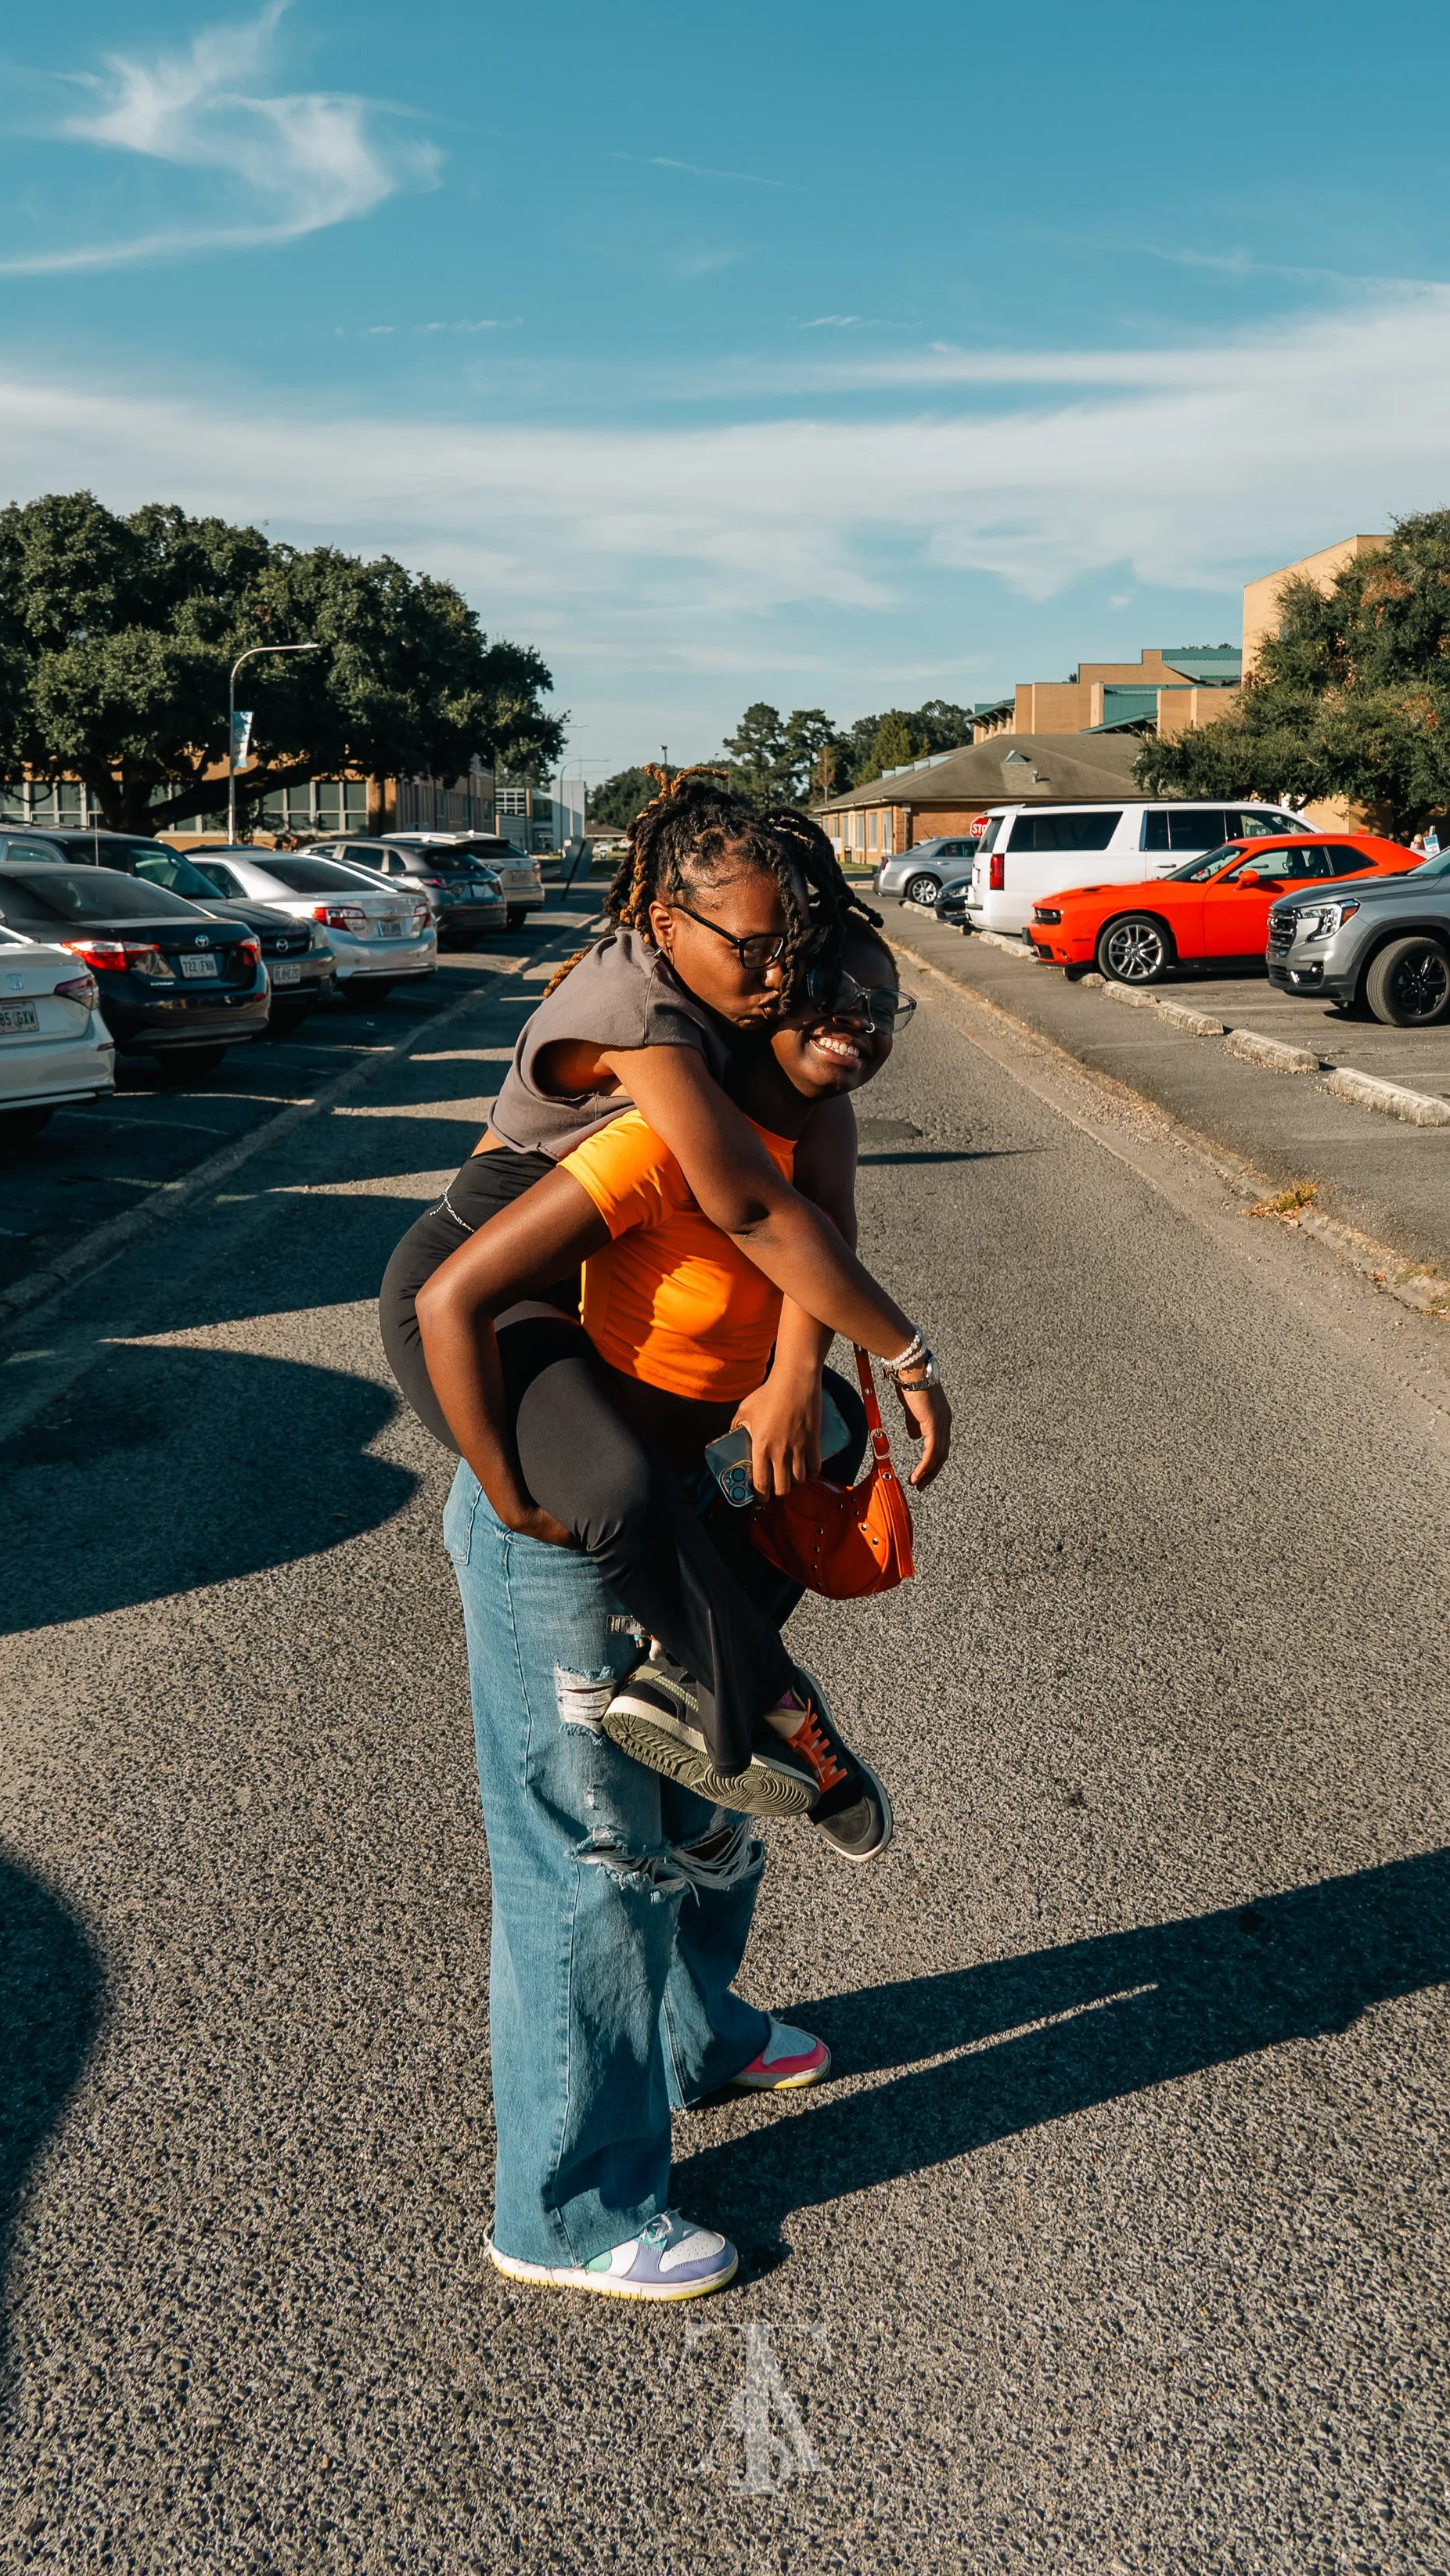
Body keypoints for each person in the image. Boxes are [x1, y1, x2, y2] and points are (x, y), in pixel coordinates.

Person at [437, 928, 938, 2303]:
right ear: (752, 1006)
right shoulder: (659, 1136)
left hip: (688, 1503)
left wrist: (795, 1378)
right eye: (826, 999)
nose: (858, 1025)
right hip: (570, 1524)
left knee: (709, 1783)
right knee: (591, 1852)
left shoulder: (805, 1120)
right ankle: (570, 2212)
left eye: (883, 1006)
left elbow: (811, 1248)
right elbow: (452, 1294)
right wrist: (503, 1486)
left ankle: (697, 2035)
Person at [380, 773, 948, 1800]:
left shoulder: (717, 992)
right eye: (755, 950)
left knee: (815, 1426)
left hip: (553, 1292)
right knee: (620, 1497)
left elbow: (813, 1210)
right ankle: (774, 1711)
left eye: (793, 950)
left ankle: (701, 1688)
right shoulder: (641, 1011)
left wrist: (791, 1379)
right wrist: (907, 1354)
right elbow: (754, 1211)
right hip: (474, 1291)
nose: (778, 978)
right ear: (661, 917)